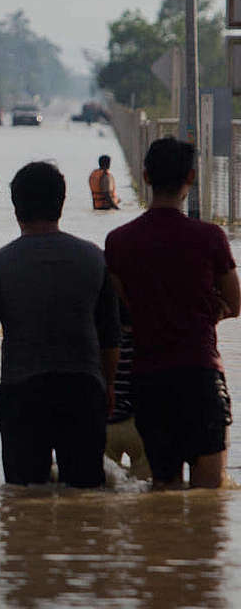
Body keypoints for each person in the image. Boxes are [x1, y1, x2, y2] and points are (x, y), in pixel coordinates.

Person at [0, 161, 120, 487]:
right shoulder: (94, 259)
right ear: (61, 204)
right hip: (82, 391)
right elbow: (109, 335)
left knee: (23, 500)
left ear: (15, 207)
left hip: (22, 395)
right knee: (85, 497)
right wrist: (108, 387)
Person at [105, 137, 240, 488]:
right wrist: (205, 316)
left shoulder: (119, 241)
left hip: (149, 382)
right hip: (200, 375)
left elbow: (125, 309)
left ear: (146, 177)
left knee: (163, 491)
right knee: (208, 501)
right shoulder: (211, 237)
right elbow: (236, 304)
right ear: (191, 178)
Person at [105, 300, 151, 480]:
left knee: (104, 491)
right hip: (140, 425)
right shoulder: (149, 339)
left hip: (106, 423)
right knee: (146, 490)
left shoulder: (105, 340)